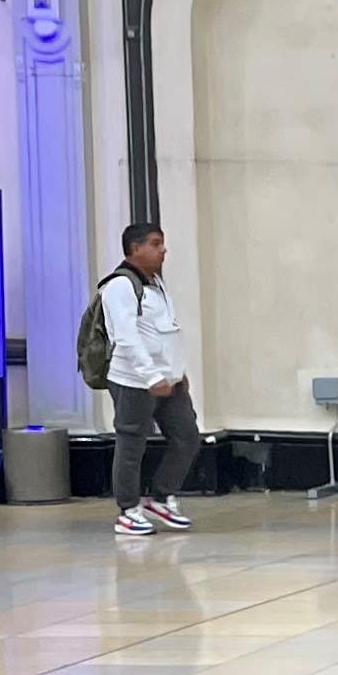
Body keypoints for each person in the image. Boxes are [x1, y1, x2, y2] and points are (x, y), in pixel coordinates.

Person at [99, 222, 201, 537]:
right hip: (134, 382)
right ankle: (128, 510)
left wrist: (176, 372)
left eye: (162, 243)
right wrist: (151, 376)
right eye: (155, 244)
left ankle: (160, 496)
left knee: (187, 436)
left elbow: (164, 331)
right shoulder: (120, 286)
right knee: (131, 444)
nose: (163, 250)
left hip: (168, 382)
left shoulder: (155, 283)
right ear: (135, 248)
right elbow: (127, 338)